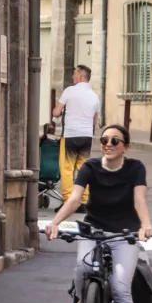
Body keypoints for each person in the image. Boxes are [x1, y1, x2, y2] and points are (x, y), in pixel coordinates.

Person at [45, 125, 152, 303]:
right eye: (105, 139)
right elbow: (74, 199)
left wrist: (145, 225)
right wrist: (54, 223)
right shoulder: (90, 167)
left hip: (125, 233)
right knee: (83, 269)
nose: (109, 144)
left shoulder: (135, 168)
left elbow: (139, 200)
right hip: (93, 230)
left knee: (120, 285)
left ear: (125, 145)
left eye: (115, 140)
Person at [52, 65, 100, 211]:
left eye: (74, 73)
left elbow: (56, 112)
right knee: (83, 168)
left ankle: (68, 201)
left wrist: (57, 112)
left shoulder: (69, 91)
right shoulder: (94, 96)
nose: (72, 76)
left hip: (71, 135)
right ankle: (84, 201)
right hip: (86, 136)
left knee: (66, 169)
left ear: (80, 75)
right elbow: (95, 120)